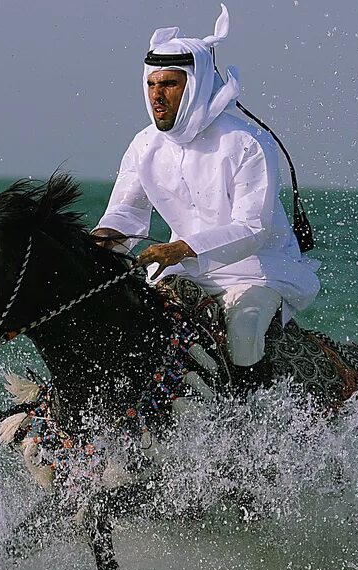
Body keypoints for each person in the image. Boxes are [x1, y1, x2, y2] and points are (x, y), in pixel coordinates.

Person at [91, 4, 320, 389]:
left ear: (194, 85)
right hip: (180, 269)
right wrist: (93, 245)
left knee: (244, 330)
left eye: (169, 85)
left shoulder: (246, 142)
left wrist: (179, 249)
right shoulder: (144, 145)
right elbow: (126, 219)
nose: (156, 96)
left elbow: (253, 229)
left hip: (257, 268)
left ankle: (252, 417)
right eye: (151, 84)